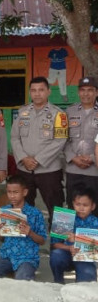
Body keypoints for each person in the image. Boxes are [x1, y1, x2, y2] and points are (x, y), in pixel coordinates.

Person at [10, 76, 68, 224]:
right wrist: (24, 158)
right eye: (34, 90)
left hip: (49, 170)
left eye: (41, 90)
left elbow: (60, 140)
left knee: (58, 211)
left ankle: (59, 246)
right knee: (23, 209)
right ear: (30, 92)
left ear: (48, 92)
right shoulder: (22, 113)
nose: (37, 94)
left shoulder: (59, 114)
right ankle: (26, 244)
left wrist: (38, 160)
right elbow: (15, 137)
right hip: (25, 169)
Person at [0, 175, 47, 281]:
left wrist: (30, 233)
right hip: (7, 255)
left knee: (22, 278)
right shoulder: (3, 211)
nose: (12, 196)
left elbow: (42, 241)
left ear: (25, 192)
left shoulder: (35, 213)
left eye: (16, 192)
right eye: (9, 192)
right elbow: (2, 239)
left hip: (27, 257)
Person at [50, 186, 98, 283]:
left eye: (85, 205)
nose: (81, 208)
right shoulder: (65, 218)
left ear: (93, 206)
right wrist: (70, 248)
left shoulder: (96, 223)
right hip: (66, 254)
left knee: (86, 285)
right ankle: (58, 283)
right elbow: (54, 244)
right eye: (78, 204)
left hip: (85, 259)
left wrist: (76, 240)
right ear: (73, 204)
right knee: (56, 255)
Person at [64, 77, 98, 215]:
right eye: (83, 90)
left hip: (95, 170)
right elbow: (62, 139)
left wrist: (93, 158)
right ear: (78, 92)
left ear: (96, 92)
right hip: (73, 169)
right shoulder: (69, 112)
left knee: (94, 208)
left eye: (90, 90)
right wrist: (73, 157)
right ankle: (71, 237)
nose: (86, 94)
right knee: (72, 207)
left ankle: (93, 237)